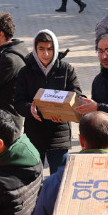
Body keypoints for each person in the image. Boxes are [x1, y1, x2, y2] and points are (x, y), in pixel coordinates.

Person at [14, 30, 81, 174]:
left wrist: (65, 112)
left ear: (55, 49)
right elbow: (18, 101)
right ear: (35, 49)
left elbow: (77, 96)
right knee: (33, 179)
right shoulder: (25, 72)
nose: (46, 54)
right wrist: (30, 109)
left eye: (50, 49)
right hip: (34, 134)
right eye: (41, 49)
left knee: (58, 181)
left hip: (59, 135)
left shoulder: (66, 70)